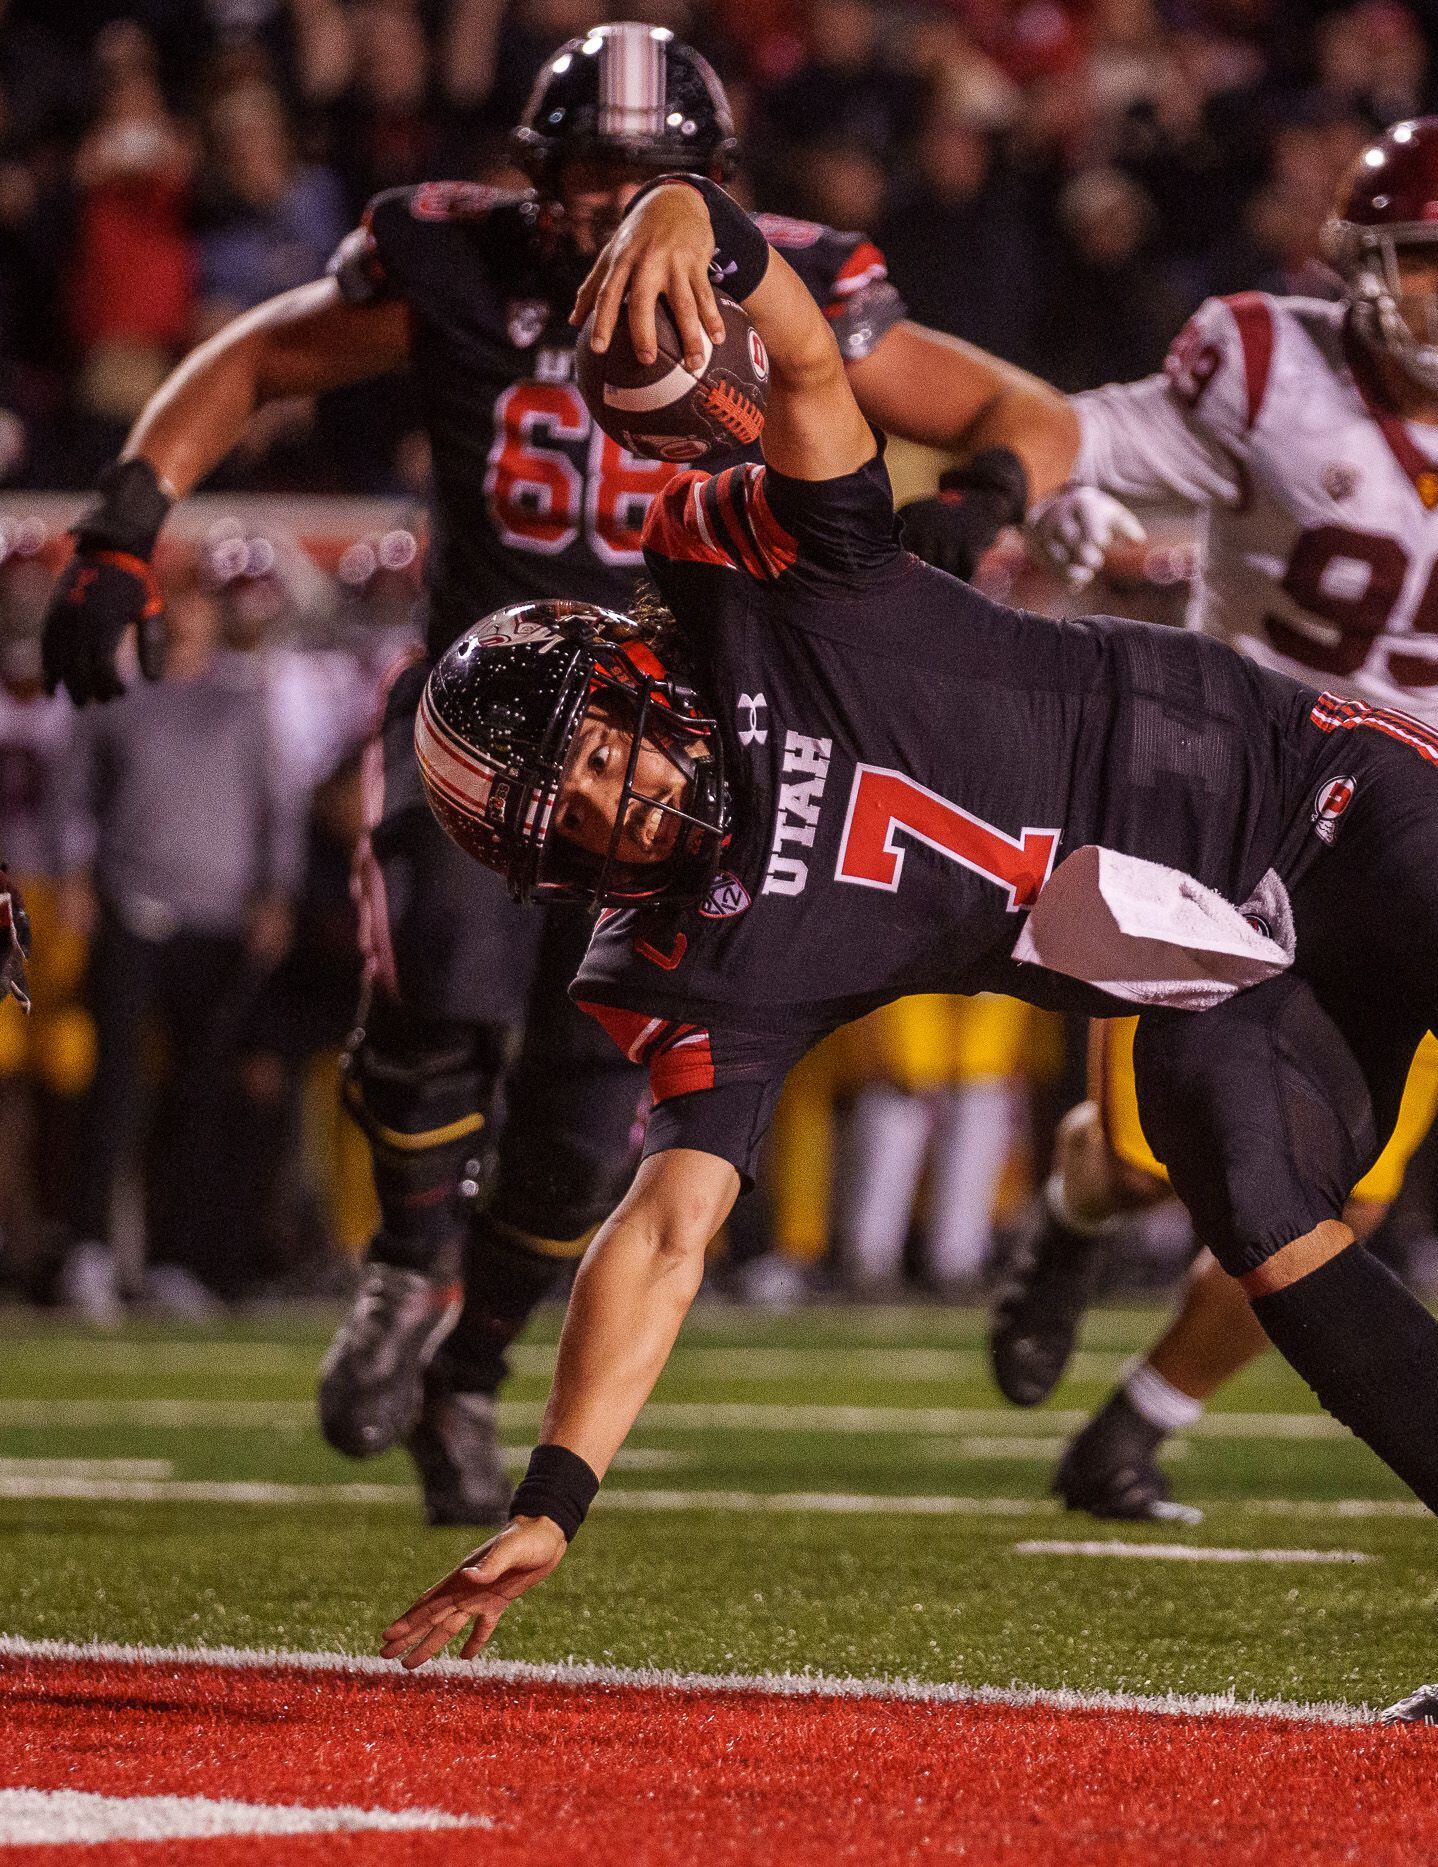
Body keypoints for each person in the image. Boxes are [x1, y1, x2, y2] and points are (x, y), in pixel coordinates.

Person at [375, 171, 1438, 1720]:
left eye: (600, 751)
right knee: (1259, 1213)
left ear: (635, 674)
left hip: (1328, 788)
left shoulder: (769, 591)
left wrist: (703, 220)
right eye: (572, 817)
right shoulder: (697, 955)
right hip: (1214, 968)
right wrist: (557, 1491)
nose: (617, 803)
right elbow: (668, 1225)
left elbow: (820, 383)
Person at [39, 23, 1076, 1526]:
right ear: (534, 176)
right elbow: (260, 350)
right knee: (433, 997)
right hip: (484, 697)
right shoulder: (460, 262)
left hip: (690, 745)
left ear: (708, 186)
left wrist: (977, 507)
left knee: (586, 1131)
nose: (605, 205)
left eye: (642, 178)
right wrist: (127, 519)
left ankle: (468, 1375)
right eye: (583, 174)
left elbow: (1023, 414)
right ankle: (405, 1253)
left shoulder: (780, 281)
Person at [988, 117, 1438, 1522]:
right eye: (1429, 258)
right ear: (1362, 267)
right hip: (1217, 802)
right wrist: (1069, 515)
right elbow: (1073, 434)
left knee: (1335, 1198)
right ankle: (1069, 1215)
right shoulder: (1271, 367)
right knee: (1144, 1159)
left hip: (1397, 827)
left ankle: (1134, 1428)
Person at [57, 560, 296, 1310]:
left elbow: (276, 808)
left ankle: (174, 1259)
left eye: (194, 607)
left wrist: (275, 894)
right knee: (115, 1085)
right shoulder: (116, 693)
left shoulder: (243, 701)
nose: (185, 621)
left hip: (218, 921)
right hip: (132, 908)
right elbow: (73, 798)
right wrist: (72, 877)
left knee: (198, 1094)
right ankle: (91, 1248)